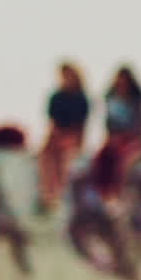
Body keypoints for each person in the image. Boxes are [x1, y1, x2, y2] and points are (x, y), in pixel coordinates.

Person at [36, 62, 89, 213]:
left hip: (72, 136)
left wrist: (76, 142)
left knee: (65, 155)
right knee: (46, 154)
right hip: (57, 134)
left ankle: (59, 192)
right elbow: (52, 123)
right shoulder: (56, 97)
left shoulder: (81, 98)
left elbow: (81, 127)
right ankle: (48, 192)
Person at [90, 66, 141, 202]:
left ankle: (118, 191)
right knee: (101, 157)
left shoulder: (137, 100)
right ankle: (103, 194)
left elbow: (140, 125)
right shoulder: (111, 99)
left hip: (131, 139)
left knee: (122, 159)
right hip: (113, 138)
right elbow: (107, 123)